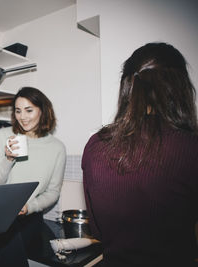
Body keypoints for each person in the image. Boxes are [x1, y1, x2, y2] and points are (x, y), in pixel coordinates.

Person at [82, 42, 198, 267]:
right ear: (180, 87)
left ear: (127, 86)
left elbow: (97, 228)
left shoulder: (96, 144)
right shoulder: (190, 147)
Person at [0, 86, 66, 266]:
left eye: (29, 110)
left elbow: (53, 192)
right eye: (18, 111)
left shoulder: (57, 148)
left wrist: (30, 206)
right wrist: (8, 159)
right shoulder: (4, 135)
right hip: (1, 215)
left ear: (43, 110)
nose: (23, 117)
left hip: (31, 216)